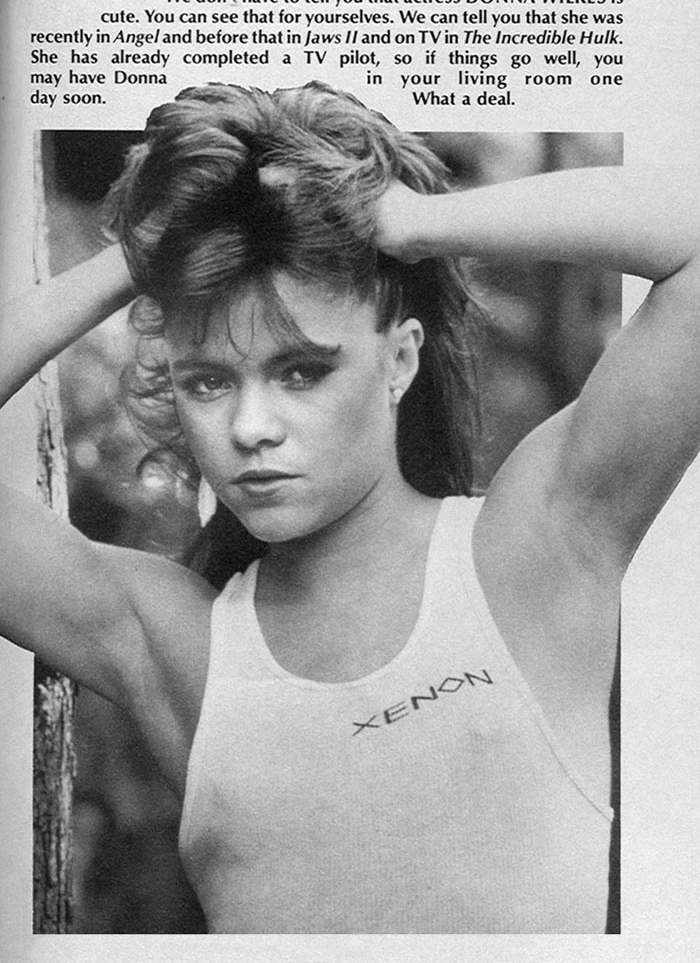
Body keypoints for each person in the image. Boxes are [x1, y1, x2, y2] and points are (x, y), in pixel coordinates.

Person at [1, 82, 698, 934]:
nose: (251, 428)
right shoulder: (181, 649)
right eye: (208, 382)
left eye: (302, 372)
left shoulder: (532, 551)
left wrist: (409, 221)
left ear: (399, 360)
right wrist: (136, 259)